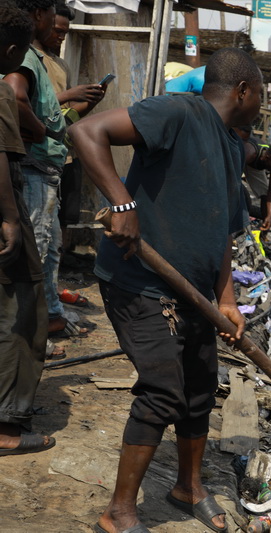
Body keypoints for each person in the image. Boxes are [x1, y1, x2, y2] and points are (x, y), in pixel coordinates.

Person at [70, 48, 267, 533]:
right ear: (243, 91)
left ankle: (188, 487)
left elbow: (223, 233)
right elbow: (85, 131)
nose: (263, 103)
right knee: (163, 392)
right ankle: (119, 512)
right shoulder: (179, 112)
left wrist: (226, 300)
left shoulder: (229, 145)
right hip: (141, 283)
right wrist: (122, 202)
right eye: (261, 93)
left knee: (199, 391)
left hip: (196, 293)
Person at [0, 2, 56, 458]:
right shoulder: (3, 88)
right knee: (22, 309)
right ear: (12, 49)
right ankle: (5, 425)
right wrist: (10, 218)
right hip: (6, 203)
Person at [3, 0, 75, 337]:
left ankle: (45, 320)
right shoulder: (27, 58)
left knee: (47, 250)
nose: (54, 26)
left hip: (43, 170)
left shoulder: (36, 58)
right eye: (51, 18)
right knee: (35, 251)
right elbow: (16, 98)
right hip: (34, 170)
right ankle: (26, 334)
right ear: (38, 15)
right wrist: (39, 129)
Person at [43, 2, 106, 238]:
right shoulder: (29, 60)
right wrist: (70, 94)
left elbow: (69, 114)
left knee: (64, 216)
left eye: (65, 33)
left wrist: (92, 99)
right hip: (39, 150)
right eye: (57, 31)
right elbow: (29, 103)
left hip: (64, 151)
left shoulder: (61, 65)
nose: (60, 37)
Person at [233, 125, 271, 230]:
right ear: (267, 158)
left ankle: (264, 223)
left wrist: (269, 217)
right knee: (235, 191)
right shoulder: (250, 153)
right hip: (239, 158)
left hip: (255, 166)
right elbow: (232, 178)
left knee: (264, 194)